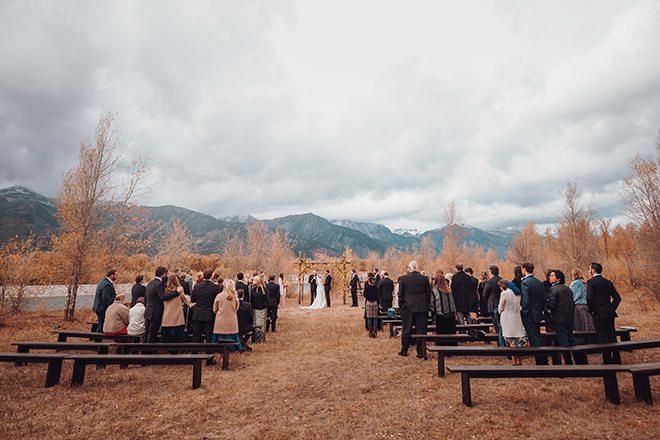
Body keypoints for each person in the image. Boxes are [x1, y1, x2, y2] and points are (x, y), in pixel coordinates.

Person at [547, 270, 587, 365]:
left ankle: (568, 361)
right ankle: (580, 361)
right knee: (572, 340)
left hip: (559, 319)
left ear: (558, 278)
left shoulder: (554, 289)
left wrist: (546, 302)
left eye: (552, 276)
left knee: (563, 342)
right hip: (568, 318)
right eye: (550, 276)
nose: (550, 277)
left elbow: (551, 305)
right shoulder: (567, 289)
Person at [587, 262, 622, 364]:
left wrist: (592, 310)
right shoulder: (608, 282)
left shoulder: (591, 282)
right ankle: (617, 359)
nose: (589, 271)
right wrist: (612, 308)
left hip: (598, 312)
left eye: (589, 269)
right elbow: (617, 298)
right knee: (612, 335)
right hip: (609, 312)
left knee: (602, 336)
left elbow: (589, 298)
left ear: (593, 270)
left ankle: (607, 361)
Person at [398, 261, 431, 358]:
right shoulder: (424, 278)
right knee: (421, 329)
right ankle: (420, 351)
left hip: (408, 307)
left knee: (406, 329)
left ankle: (404, 350)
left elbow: (401, 294)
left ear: (409, 268)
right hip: (422, 307)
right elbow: (428, 293)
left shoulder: (403, 279)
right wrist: (427, 304)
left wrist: (402, 306)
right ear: (417, 268)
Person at [144, 266, 180, 343]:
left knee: (146, 333)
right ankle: (148, 352)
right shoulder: (159, 284)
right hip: (156, 312)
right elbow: (163, 297)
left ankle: (144, 351)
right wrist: (177, 292)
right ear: (163, 274)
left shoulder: (150, 283)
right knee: (152, 334)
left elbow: (146, 298)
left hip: (148, 311)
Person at [521, 262, 548, 365]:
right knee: (537, 336)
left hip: (529, 315)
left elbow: (526, 301)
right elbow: (543, 299)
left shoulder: (525, 283)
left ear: (524, 269)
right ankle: (542, 360)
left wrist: (525, 313)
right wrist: (539, 310)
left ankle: (541, 362)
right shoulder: (538, 282)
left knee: (534, 339)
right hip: (537, 313)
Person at [497, 279, 526, 366]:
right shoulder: (518, 294)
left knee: (511, 341)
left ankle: (515, 362)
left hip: (507, 318)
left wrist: (500, 311)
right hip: (517, 317)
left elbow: (500, 307)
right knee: (519, 341)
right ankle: (520, 362)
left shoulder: (504, 293)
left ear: (502, 286)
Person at [191, 268, 220, 352]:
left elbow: (193, 299)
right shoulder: (215, 287)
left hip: (198, 312)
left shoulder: (197, 286)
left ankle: (194, 354)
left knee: (196, 336)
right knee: (208, 336)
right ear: (211, 276)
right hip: (209, 313)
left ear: (203, 276)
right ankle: (209, 357)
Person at [212, 279, 242, 353]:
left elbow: (214, 309)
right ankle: (227, 356)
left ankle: (221, 357)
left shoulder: (219, 296)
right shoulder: (235, 297)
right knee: (231, 341)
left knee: (220, 340)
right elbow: (236, 308)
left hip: (220, 321)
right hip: (232, 321)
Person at [161, 273, 189, 343]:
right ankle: (177, 350)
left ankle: (167, 350)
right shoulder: (179, 290)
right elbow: (185, 300)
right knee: (178, 335)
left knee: (167, 335)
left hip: (167, 316)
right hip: (177, 316)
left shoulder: (165, 290)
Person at [429, 269, 456, 339]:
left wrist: (434, 313)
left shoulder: (434, 291)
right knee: (451, 337)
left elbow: (432, 304)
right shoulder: (449, 290)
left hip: (440, 316)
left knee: (441, 337)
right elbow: (452, 302)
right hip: (451, 316)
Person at [570, 268, 593, 344]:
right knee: (587, 324)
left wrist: (571, 303)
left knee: (579, 325)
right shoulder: (585, 283)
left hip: (578, 307)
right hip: (586, 306)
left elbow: (573, 296)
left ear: (574, 275)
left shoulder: (574, 284)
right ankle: (590, 341)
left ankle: (580, 342)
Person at [482, 265, 503, 342]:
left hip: (492, 303)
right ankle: (502, 339)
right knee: (501, 322)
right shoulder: (502, 280)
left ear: (491, 272)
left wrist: (487, 301)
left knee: (495, 322)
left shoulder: (489, 282)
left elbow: (484, 294)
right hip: (501, 302)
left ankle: (499, 339)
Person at [250, 275, 268, 342]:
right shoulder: (265, 290)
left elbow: (251, 300)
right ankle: (261, 338)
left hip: (255, 308)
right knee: (262, 324)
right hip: (263, 308)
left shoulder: (253, 291)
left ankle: (256, 337)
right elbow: (267, 299)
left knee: (256, 323)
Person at [363, 273, 379, 338]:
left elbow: (364, 295)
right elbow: (378, 295)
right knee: (375, 317)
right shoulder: (376, 288)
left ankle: (370, 331)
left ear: (369, 281)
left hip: (369, 302)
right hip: (375, 302)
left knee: (369, 317)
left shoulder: (367, 288)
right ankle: (375, 331)